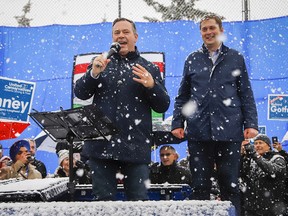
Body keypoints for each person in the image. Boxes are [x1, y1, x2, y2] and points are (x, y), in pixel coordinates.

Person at [74, 17, 170, 201]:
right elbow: (81, 93)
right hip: (101, 146)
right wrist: (93, 73)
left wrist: (152, 86)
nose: (121, 36)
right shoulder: (101, 64)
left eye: (125, 32)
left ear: (135, 36)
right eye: (116, 33)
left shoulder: (148, 67)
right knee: (103, 203)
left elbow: (163, 104)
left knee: (138, 202)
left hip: (135, 146)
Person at [171, 14, 258, 215]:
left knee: (229, 183)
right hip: (198, 132)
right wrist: (177, 122)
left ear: (221, 31)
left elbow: (245, 92)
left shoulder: (235, 57)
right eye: (204, 29)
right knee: (200, 184)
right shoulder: (192, 59)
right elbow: (183, 95)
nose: (208, 32)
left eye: (212, 28)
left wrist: (251, 123)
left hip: (229, 132)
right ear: (201, 32)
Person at [240, 134, 287, 216]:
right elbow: (241, 175)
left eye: (260, 143)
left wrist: (255, 155)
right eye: (255, 143)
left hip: (273, 207)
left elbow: (272, 171)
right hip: (252, 208)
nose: (257, 145)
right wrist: (243, 156)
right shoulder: (251, 159)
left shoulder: (277, 158)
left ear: (269, 146)